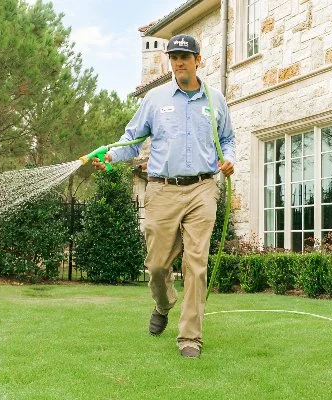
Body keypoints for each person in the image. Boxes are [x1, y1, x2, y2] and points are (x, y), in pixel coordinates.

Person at [93, 34, 235, 359]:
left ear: (198, 60)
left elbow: (228, 140)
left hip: (202, 188)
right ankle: (163, 302)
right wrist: (112, 157)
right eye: (174, 57)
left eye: (185, 56)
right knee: (157, 265)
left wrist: (230, 160)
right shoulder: (155, 100)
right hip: (162, 188)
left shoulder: (216, 100)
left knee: (196, 265)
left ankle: (190, 338)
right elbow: (132, 139)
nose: (179, 62)